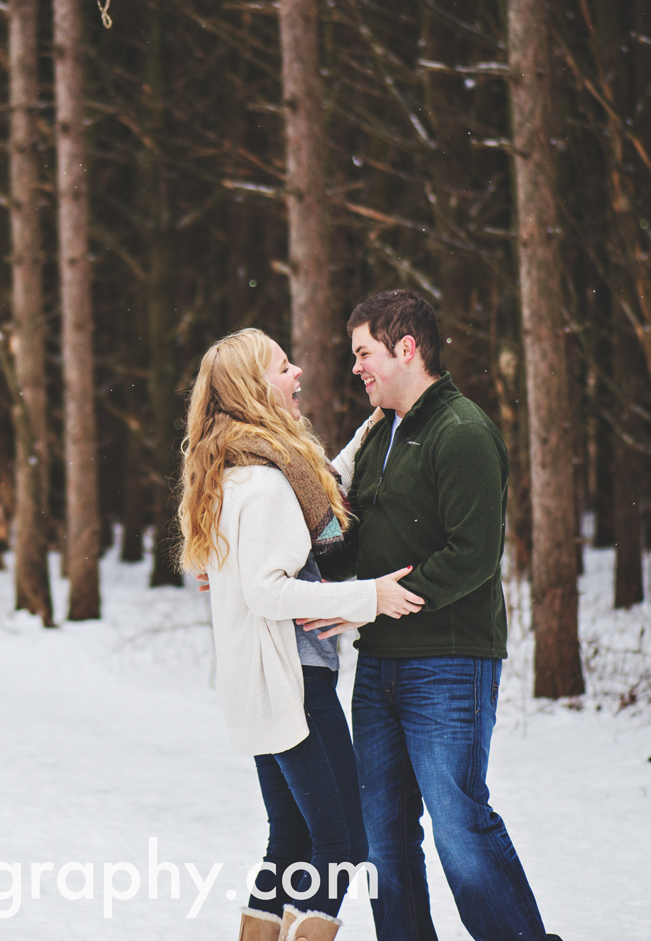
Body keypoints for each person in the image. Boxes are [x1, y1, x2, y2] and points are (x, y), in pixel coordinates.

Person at [300, 290, 561, 941]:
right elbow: (356, 546)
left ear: (406, 347)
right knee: (382, 832)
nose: (356, 365)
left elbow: (472, 555)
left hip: (448, 662)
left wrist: (386, 598)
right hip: (380, 663)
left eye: (364, 351)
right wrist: (297, 553)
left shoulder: (462, 431)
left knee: (459, 823)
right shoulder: (383, 434)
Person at [176, 328, 425, 941]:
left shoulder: (245, 467)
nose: (299, 374)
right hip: (294, 683)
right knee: (343, 844)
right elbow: (267, 589)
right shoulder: (262, 482)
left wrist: (372, 427)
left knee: (289, 839)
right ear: (254, 387)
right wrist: (369, 596)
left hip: (260, 681)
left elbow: (318, 489)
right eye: (284, 367)